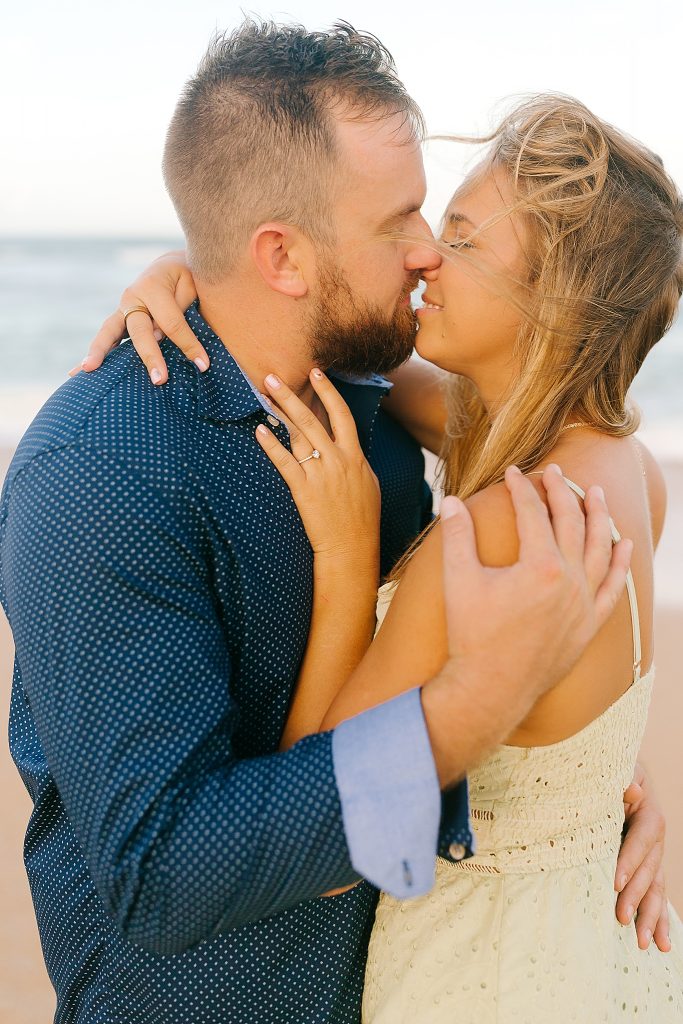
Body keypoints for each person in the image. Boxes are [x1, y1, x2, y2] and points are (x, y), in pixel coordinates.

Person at [0, 21, 658, 1024]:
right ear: (283, 254)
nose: (428, 248)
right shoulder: (98, 475)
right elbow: (157, 872)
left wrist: (596, 786)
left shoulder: (376, 390)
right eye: (402, 219)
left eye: (450, 231)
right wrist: (471, 710)